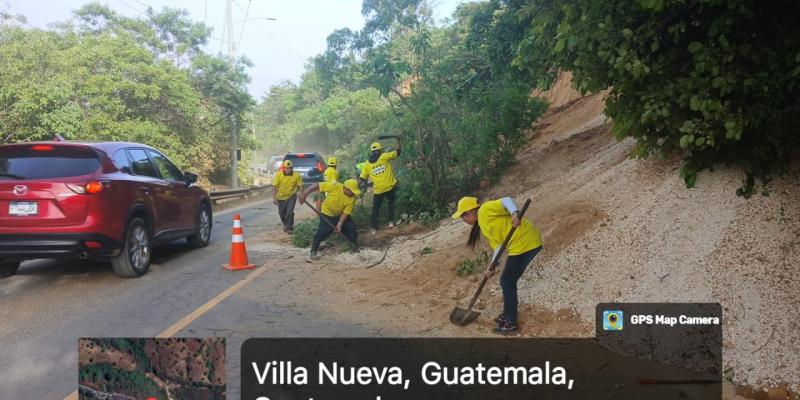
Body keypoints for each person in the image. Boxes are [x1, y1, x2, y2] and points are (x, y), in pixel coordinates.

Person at [451, 196, 542, 334]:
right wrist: (492, 266)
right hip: (519, 246)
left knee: (507, 281)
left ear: (470, 213)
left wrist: (514, 213)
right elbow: (499, 246)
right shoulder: (483, 224)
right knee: (507, 281)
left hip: (526, 243)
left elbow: (506, 200)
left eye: (463, 217)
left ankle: (511, 323)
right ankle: (507, 316)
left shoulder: (485, 210)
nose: (464, 221)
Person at [298, 179, 362, 260]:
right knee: (322, 233)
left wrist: (339, 224)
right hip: (327, 214)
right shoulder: (335, 186)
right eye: (352, 191)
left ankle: (354, 247)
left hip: (339, 215)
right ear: (346, 188)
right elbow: (317, 184)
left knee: (351, 229)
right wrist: (304, 194)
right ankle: (313, 251)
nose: (353, 193)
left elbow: (346, 213)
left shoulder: (352, 198)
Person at [358, 137, 401, 232]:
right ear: (380, 150)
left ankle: (374, 227)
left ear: (371, 152)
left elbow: (362, 178)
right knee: (391, 203)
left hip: (378, 190)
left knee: (376, 208)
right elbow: (398, 152)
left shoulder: (366, 164)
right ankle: (390, 222)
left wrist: (354, 186)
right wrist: (398, 141)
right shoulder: (384, 156)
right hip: (390, 186)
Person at [272, 160, 304, 234]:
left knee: (289, 212)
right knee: (281, 213)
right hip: (280, 197)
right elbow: (274, 186)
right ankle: (286, 224)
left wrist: (301, 195)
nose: (288, 170)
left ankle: (289, 227)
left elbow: (301, 186)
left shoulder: (296, 175)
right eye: (286, 168)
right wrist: (274, 198)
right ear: (283, 168)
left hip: (291, 196)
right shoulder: (278, 175)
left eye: (290, 168)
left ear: (292, 168)